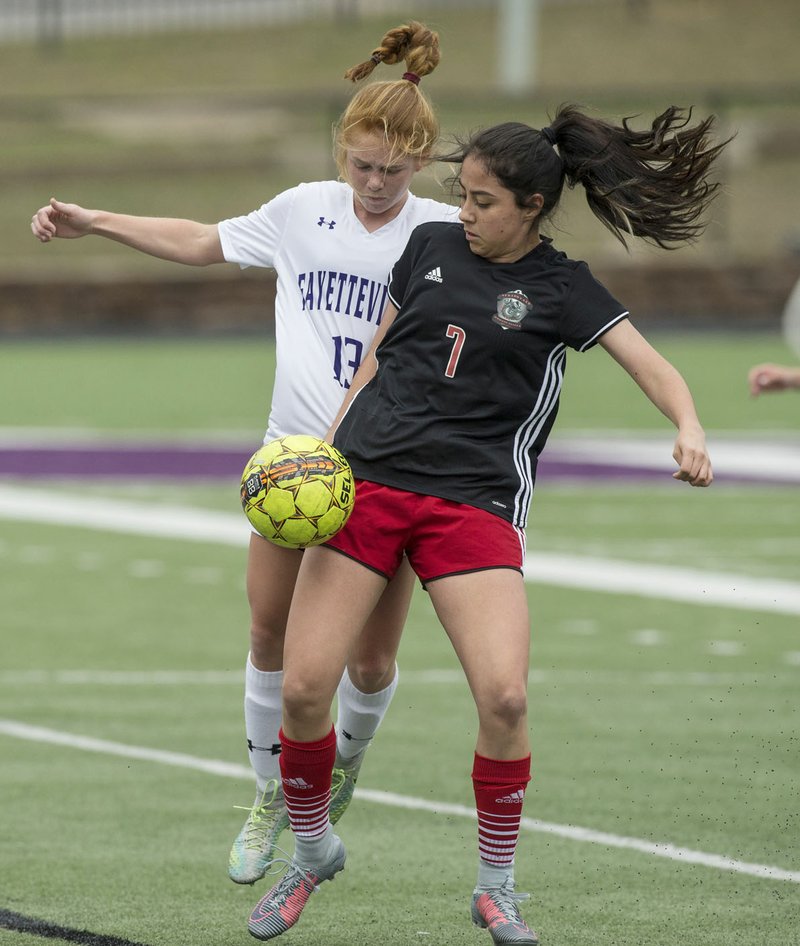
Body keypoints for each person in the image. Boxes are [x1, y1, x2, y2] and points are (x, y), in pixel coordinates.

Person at [245, 103, 726, 944]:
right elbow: (378, 354)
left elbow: (654, 367)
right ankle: (312, 851)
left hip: (476, 502)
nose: (460, 213)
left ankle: (496, 886)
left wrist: (687, 427)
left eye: (479, 201)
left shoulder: (564, 288)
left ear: (530, 207)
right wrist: (325, 452)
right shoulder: (427, 248)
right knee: (304, 686)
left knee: (504, 697)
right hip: (371, 484)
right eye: (461, 196)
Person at [30, 21, 459, 887]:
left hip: (390, 468)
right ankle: (270, 795)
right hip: (291, 467)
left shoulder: (445, 233)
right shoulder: (301, 210)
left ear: (421, 163)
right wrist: (96, 222)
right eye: (363, 165)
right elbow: (202, 239)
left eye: (394, 170)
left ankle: (345, 766)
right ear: (342, 151)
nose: (376, 184)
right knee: (268, 631)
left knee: (369, 662)